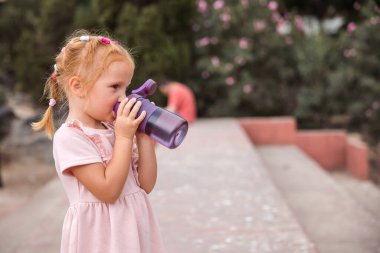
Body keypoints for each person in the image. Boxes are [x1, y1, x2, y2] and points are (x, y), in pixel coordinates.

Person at [32, 30, 165, 253]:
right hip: (101, 240)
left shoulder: (113, 128)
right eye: (115, 87)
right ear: (78, 86)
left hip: (133, 232)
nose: (123, 98)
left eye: (126, 87)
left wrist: (143, 136)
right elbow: (108, 191)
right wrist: (124, 137)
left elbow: (146, 184)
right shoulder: (71, 138)